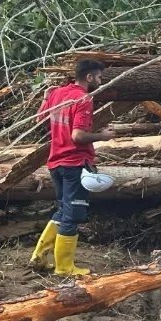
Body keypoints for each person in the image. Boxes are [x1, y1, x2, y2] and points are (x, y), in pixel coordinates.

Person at [29, 59, 117, 276]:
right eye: (98, 76)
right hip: (74, 163)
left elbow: (39, 121)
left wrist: (44, 98)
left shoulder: (56, 94)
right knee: (73, 215)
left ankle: (39, 257)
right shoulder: (83, 98)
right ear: (89, 77)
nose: (100, 80)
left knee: (63, 210)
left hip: (55, 162)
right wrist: (102, 136)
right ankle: (65, 267)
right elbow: (77, 136)